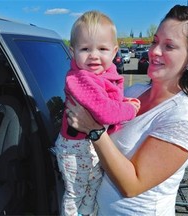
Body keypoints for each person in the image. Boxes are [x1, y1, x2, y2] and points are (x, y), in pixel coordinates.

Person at [65, 5, 188, 215]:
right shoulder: (135, 91)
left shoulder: (184, 117)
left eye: (169, 46)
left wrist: (94, 130)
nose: (154, 51)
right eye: (155, 41)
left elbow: (132, 185)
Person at [55, 11, 140, 216]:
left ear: (114, 51)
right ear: (73, 51)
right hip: (75, 149)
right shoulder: (80, 78)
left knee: (92, 187)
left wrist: (122, 101)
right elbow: (104, 112)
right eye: (85, 49)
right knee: (76, 193)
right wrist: (130, 109)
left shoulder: (103, 75)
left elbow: (108, 100)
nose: (94, 55)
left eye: (102, 48)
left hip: (91, 147)